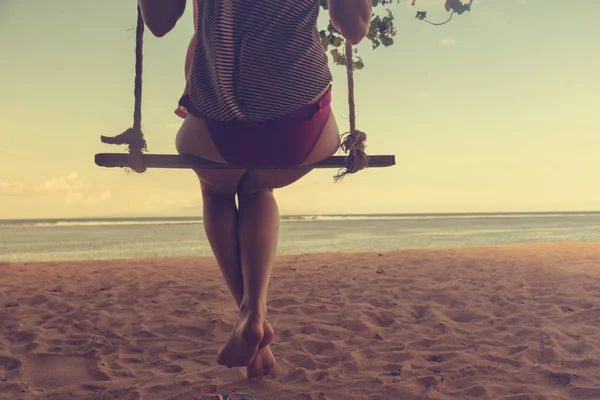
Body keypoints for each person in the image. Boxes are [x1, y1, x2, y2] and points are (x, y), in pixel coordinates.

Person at [138, 0, 371, 381]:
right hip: (299, 125)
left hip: (219, 129)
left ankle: (251, 314)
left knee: (217, 189)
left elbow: (160, 22)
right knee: (258, 186)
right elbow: (355, 27)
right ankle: (253, 313)